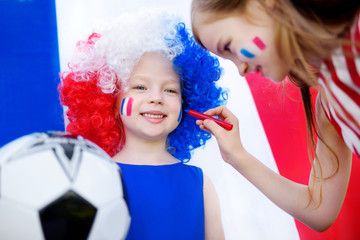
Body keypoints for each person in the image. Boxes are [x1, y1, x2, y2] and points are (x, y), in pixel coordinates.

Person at [190, 0, 360, 232]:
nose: (240, 70)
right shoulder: (329, 106)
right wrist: (237, 155)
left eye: (228, 46)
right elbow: (318, 209)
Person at [58, 8, 226, 240]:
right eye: (140, 87)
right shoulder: (95, 180)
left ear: (186, 103)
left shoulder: (200, 184)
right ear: (110, 100)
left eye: (170, 89)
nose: (156, 98)